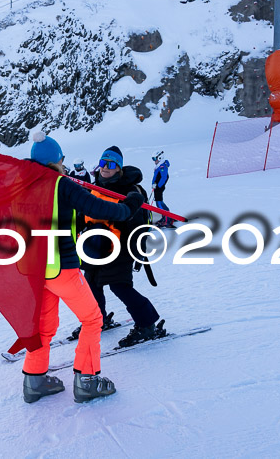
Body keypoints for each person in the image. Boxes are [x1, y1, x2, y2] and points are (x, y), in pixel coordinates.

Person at [21, 132, 145, 404]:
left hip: (33, 271)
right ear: (56, 161)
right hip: (61, 269)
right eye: (62, 160)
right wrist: (134, 201)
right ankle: (87, 381)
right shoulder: (62, 185)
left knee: (44, 325)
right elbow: (112, 212)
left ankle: (34, 380)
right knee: (92, 319)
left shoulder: (21, 184)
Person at [72, 146, 165, 348]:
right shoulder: (93, 188)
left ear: (119, 168)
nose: (106, 167)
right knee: (92, 285)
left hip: (119, 248)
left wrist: (133, 251)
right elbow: (82, 214)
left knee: (120, 286)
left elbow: (136, 223)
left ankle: (147, 324)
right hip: (94, 247)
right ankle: (98, 319)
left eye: (111, 164)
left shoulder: (131, 191)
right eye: (103, 163)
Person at [151, 150, 173, 228]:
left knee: (159, 203)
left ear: (160, 157)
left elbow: (164, 177)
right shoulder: (159, 165)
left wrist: (158, 186)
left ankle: (167, 220)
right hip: (157, 187)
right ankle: (167, 217)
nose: (154, 161)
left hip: (159, 188)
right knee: (160, 203)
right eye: (153, 159)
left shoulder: (162, 166)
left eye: (154, 159)